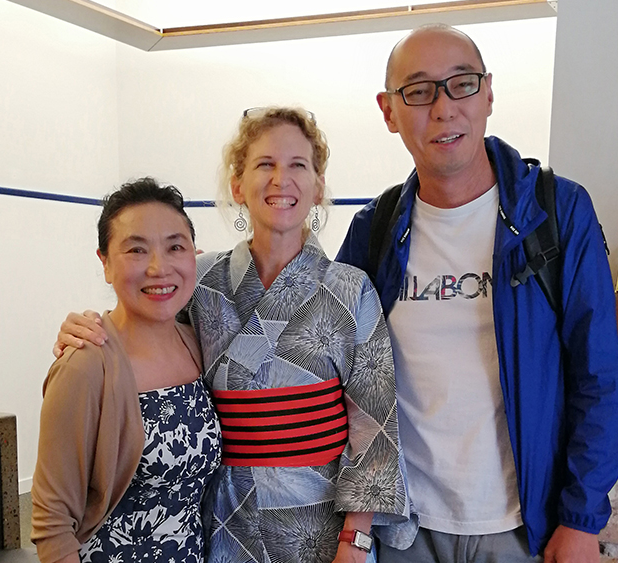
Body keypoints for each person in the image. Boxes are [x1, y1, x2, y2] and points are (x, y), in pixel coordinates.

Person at [52, 108, 411, 563]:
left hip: (321, 527)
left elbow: (375, 425)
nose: (281, 179)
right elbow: (141, 322)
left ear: (318, 187)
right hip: (221, 522)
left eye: (298, 165)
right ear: (238, 185)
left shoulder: (350, 288)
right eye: (265, 165)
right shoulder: (201, 281)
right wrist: (87, 328)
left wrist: (355, 542)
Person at [336, 25, 618, 563]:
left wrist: (581, 519)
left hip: (520, 527)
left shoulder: (556, 213)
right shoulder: (373, 233)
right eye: (418, 91)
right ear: (388, 110)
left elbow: (597, 375)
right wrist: (356, 527)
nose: (443, 108)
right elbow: (343, 383)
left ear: (488, 92)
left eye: (461, 84)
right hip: (404, 529)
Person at [31, 179, 221, 563]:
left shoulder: (201, 345)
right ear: (104, 263)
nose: (158, 267)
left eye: (174, 247)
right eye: (136, 249)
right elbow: (52, 523)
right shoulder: (85, 365)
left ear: (194, 256)